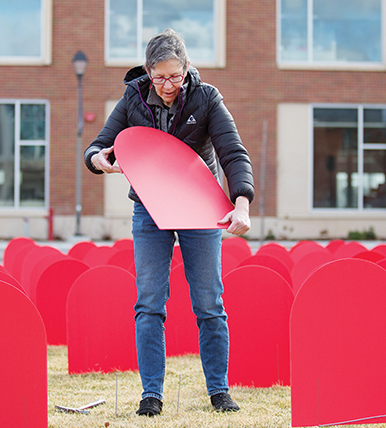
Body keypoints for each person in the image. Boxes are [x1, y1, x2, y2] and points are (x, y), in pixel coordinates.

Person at [84, 28, 254, 416]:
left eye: (175, 76)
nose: (167, 86)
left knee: (209, 302)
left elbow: (234, 154)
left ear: (188, 68)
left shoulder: (206, 98)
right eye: (159, 77)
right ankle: (151, 395)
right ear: (147, 71)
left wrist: (241, 203)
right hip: (150, 210)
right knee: (149, 303)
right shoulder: (133, 97)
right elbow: (98, 145)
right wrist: (99, 160)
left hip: (199, 209)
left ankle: (219, 391)